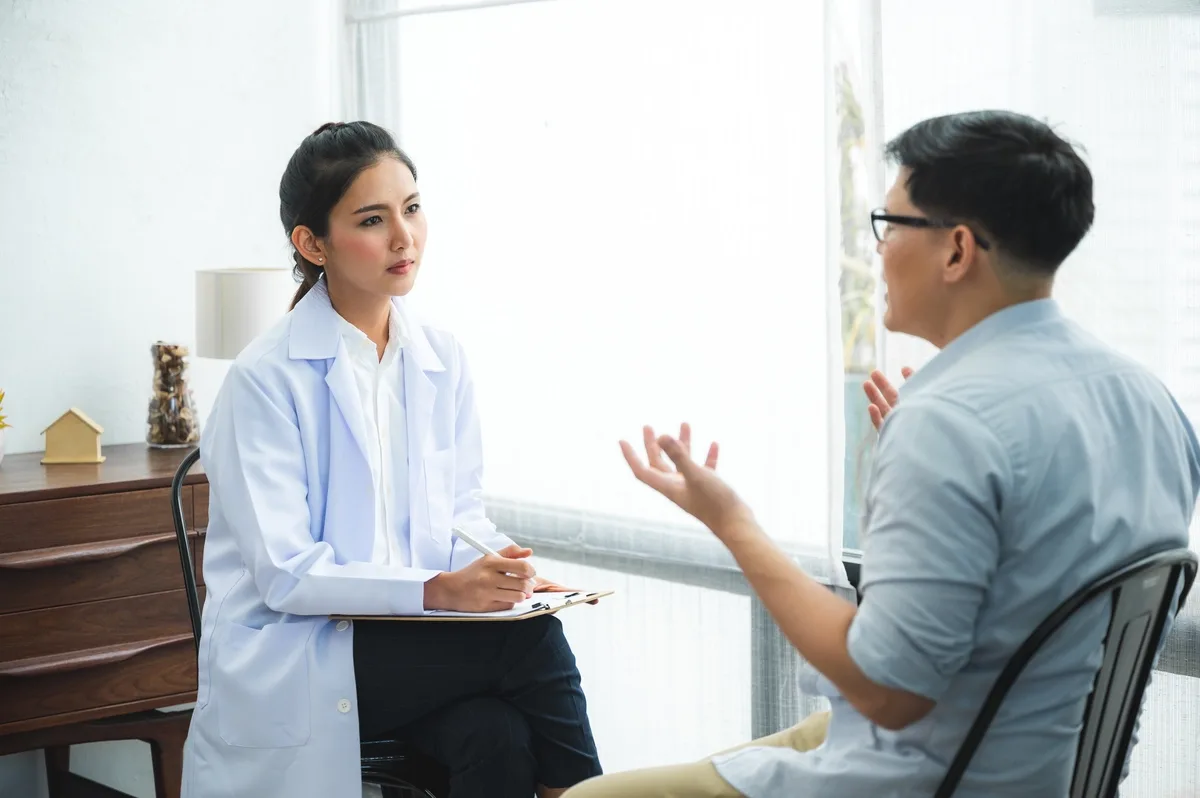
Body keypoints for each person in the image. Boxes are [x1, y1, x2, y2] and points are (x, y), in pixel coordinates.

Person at [564, 109, 1200, 797]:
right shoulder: (1151, 401)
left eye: (892, 224)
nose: (878, 247)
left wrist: (733, 523)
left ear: (956, 251)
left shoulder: (949, 422)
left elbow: (890, 692)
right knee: (780, 741)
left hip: (934, 776)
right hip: (1050, 769)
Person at [180, 121, 601, 798]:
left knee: (499, 734)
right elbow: (288, 576)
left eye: (411, 208)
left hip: (406, 645)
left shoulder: (439, 358)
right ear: (311, 243)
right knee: (530, 644)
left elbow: (460, 512)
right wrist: (440, 592)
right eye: (373, 219)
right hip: (303, 651)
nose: (404, 237)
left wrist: (502, 570)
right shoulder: (265, 380)